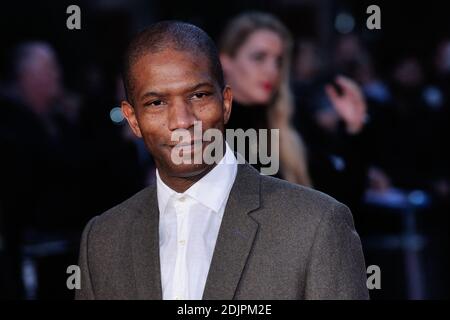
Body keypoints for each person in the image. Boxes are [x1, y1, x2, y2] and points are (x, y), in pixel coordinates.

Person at [75, 21, 369, 300]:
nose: (182, 121)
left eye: (199, 95)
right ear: (133, 119)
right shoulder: (102, 240)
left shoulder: (315, 226)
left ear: (225, 103)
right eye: (157, 103)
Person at [219, 12, 311, 186]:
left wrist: (354, 129)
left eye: (278, 61)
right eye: (259, 57)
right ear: (225, 62)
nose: (272, 70)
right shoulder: (210, 133)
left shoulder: (288, 125)